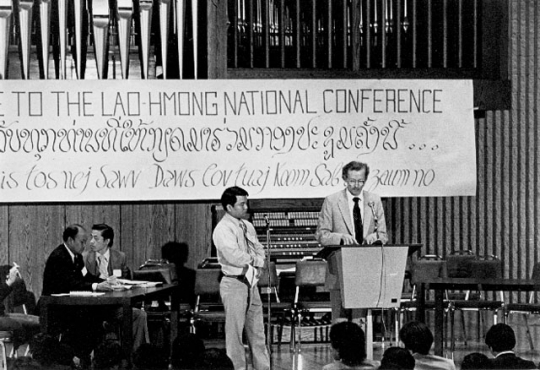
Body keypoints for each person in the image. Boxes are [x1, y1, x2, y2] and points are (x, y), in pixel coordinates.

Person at [316, 161, 388, 322]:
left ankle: (362, 346)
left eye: (360, 181)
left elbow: (383, 235)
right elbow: (321, 235)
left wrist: (374, 237)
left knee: (360, 320)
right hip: (339, 267)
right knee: (339, 321)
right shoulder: (332, 201)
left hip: (364, 268)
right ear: (344, 179)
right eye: (352, 181)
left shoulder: (374, 201)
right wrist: (340, 237)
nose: (356, 185)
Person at [212, 186, 269, 370]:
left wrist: (259, 261)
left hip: (251, 284)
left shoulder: (247, 225)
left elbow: (258, 247)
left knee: (258, 333)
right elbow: (233, 255)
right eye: (242, 204)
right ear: (229, 207)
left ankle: (263, 368)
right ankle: (237, 368)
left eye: (246, 203)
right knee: (235, 334)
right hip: (234, 283)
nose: (246, 207)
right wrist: (255, 261)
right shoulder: (223, 229)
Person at [41, 224, 112, 366]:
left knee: (96, 315)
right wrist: (95, 286)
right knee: (90, 317)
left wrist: (106, 282)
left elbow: (86, 277)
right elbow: (70, 284)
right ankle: (80, 358)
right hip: (55, 307)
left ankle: (85, 357)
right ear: (70, 240)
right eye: (82, 242)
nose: (85, 245)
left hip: (72, 306)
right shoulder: (59, 257)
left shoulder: (77, 257)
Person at [84, 223, 150, 351]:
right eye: (91, 237)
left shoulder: (120, 257)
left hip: (115, 306)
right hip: (93, 307)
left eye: (96, 238)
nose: (91, 242)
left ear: (107, 241)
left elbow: (126, 281)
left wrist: (119, 284)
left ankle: (135, 356)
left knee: (140, 315)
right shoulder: (85, 258)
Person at [0, 264, 40, 352]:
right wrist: (9, 282)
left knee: (38, 320)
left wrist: (10, 281)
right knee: (26, 324)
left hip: (2, 314)